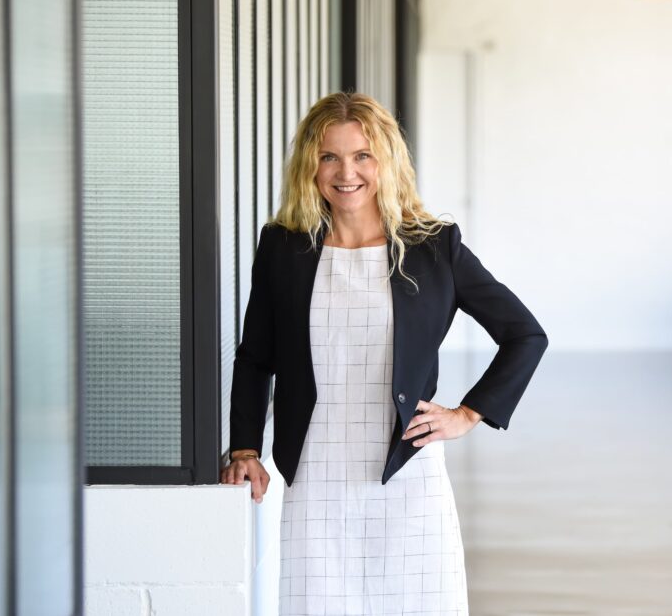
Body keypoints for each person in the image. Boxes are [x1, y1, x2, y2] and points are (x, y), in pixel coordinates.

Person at [219, 92, 548, 615]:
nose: (345, 172)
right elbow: (256, 357)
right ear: (310, 165)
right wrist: (244, 450)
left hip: (406, 470)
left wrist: (468, 414)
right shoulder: (284, 247)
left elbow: (525, 334)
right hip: (315, 473)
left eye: (361, 156)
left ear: (386, 162)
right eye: (329, 156)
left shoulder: (433, 247)